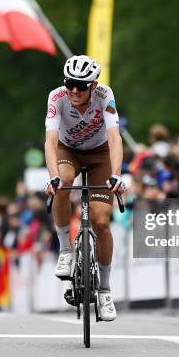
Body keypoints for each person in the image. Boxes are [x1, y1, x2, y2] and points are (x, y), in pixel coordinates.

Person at [44, 55, 125, 321]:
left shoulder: (105, 95)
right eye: (70, 84)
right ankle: (66, 249)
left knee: (101, 222)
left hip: (100, 153)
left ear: (93, 85)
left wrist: (116, 175)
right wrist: (53, 176)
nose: (74, 90)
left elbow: (114, 137)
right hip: (69, 151)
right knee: (63, 182)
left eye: (81, 85)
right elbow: (50, 141)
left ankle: (104, 289)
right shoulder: (57, 97)